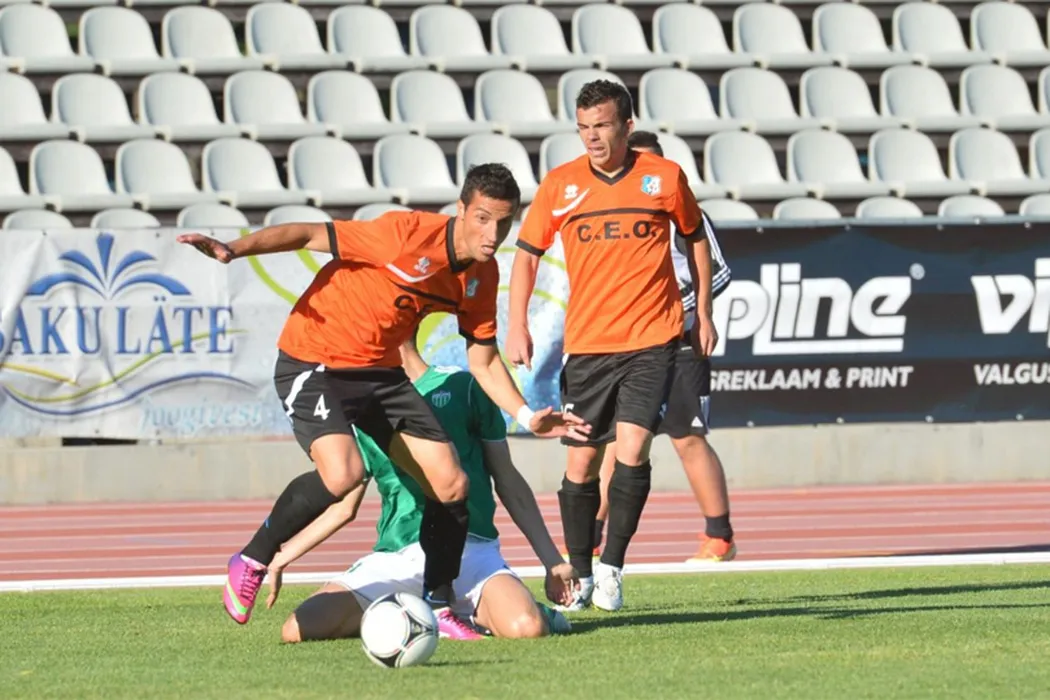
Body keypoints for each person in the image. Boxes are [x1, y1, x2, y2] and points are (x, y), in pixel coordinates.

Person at [178, 164, 589, 626]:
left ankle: (440, 606)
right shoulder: (403, 234)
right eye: (482, 219)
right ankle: (252, 557)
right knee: (344, 474)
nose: (492, 234)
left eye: (503, 222)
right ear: (461, 210)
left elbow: (484, 361)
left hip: (379, 373)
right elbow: (308, 234)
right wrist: (234, 249)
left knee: (451, 482)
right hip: (315, 358)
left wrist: (527, 415)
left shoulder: (481, 274)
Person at [505, 81, 717, 613]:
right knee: (581, 465)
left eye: (601, 125)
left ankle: (612, 567)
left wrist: (704, 313)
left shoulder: (664, 177)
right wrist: (517, 324)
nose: (592, 137)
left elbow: (695, 238)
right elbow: (527, 254)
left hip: (653, 339)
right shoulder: (561, 184)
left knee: (633, 449)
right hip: (588, 346)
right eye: (583, 128)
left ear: (626, 125)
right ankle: (579, 571)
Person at [267, 332, 575, 642]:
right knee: (298, 628)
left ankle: (496, 609)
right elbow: (345, 506)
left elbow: (507, 480)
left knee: (526, 627)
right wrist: (281, 554)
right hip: (397, 558)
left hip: (470, 551)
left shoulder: (463, 387)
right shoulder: (361, 406)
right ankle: (418, 612)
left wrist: (553, 562)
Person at [592, 130, 736, 564]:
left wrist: (670, 308)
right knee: (616, 441)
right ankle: (590, 538)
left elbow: (719, 273)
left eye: (652, 163)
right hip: (627, 344)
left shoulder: (685, 211)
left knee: (687, 437)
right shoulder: (614, 213)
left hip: (679, 343)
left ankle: (720, 537)